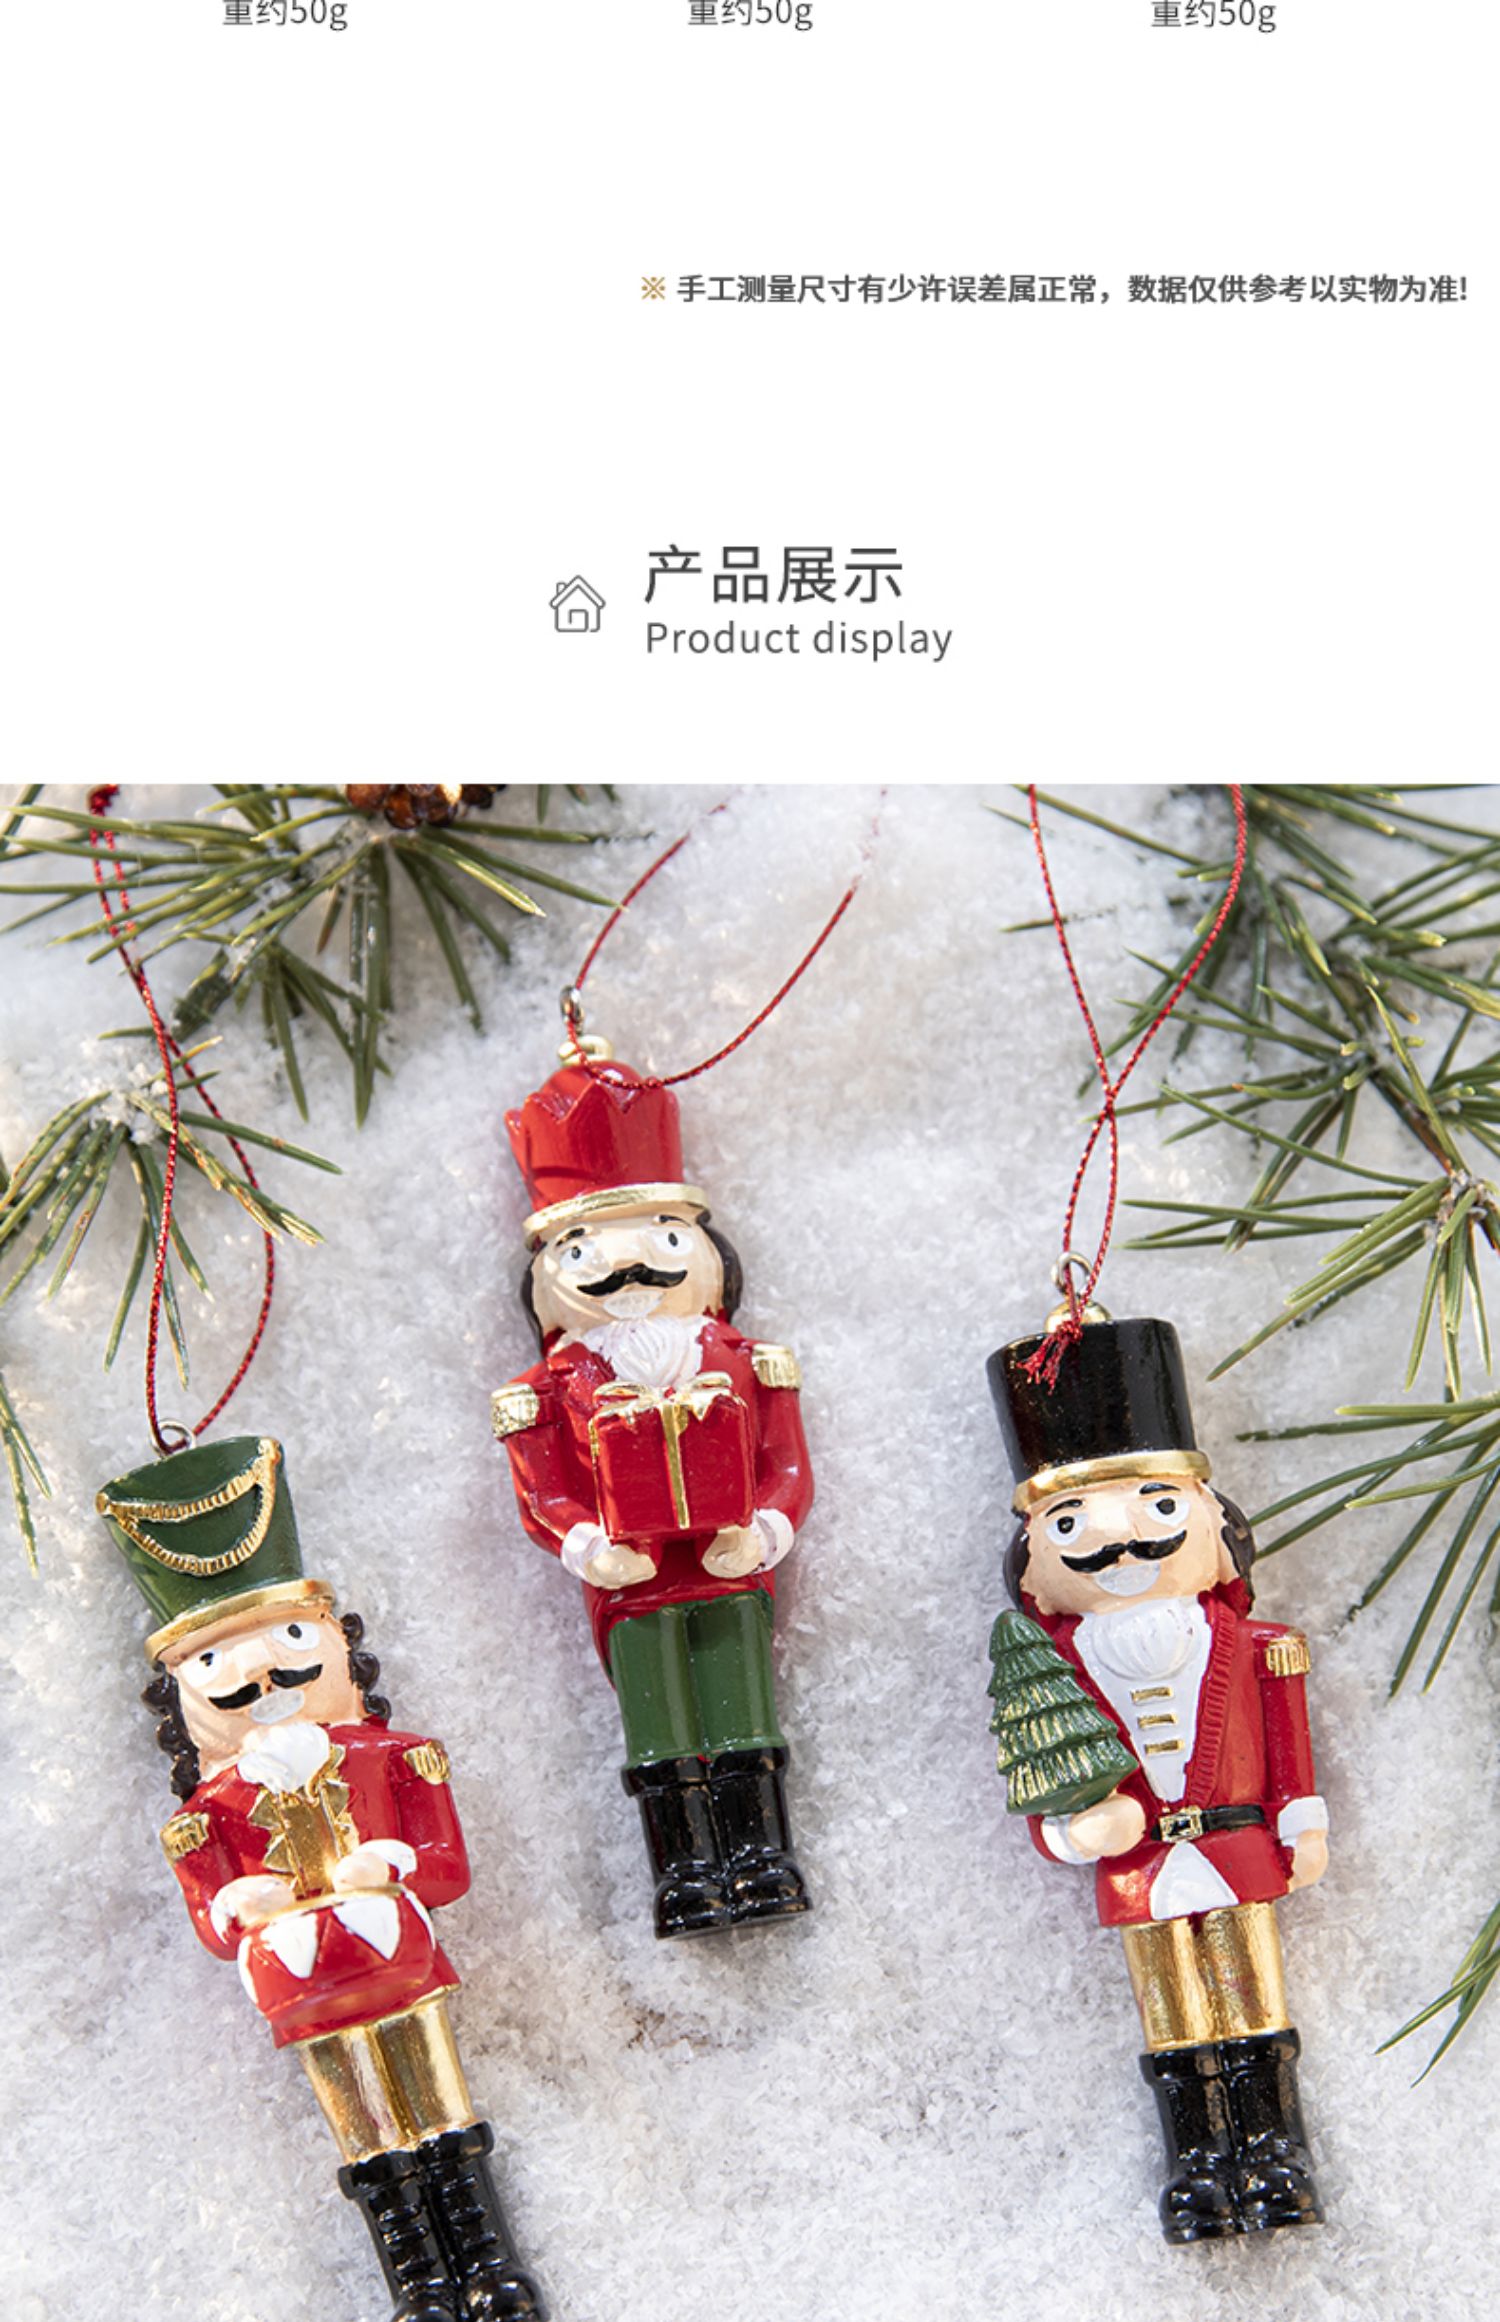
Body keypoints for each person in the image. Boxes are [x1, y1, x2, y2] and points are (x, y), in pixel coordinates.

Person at [97, 1433, 546, 2322]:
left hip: (401, 1961)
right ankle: (417, 2282)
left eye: (291, 1636)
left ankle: (488, 2263)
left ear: (339, 1643)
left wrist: (395, 1863)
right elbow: (209, 1917)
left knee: (440, 2106)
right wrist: (238, 1904)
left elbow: (446, 1866)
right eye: (214, 1661)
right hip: (301, 1986)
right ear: (178, 1694)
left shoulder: (398, 1758)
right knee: (362, 2125)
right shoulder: (205, 1816)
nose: (259, 1671)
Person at [987, 1313, 1328, 2242]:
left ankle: (1275, 2150)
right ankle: (1198, 2162)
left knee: (1254, 2001)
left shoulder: (1258, 1646)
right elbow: (1041, 1771)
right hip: (1138, 1868)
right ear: (1036, 1572)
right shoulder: (1055, 1670)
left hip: (1237, 1845)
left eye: (1158, 1507)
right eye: (1071, 1524)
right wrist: (1071, 1832)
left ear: (1217, 1529)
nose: (1120, 1541)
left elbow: (1289, 1746)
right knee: (1173, 2015)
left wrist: (1302, 1822)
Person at [493, 1040, 814, 1936]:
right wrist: (585, 1544)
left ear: (705, 1251)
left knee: (743, 1710)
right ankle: (683, 1870)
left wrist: (764, 1530)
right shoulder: (544, 1392)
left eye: (663, 1237)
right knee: (659, 1723)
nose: (626, 1267)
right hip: (631, 1587)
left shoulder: (751, 1362)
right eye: (585, 1247)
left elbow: (788, 1467)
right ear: (548, 1274)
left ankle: (762, 1856)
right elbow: (541, 1492)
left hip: (727, 1570)